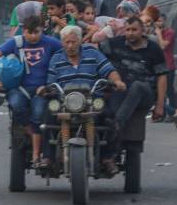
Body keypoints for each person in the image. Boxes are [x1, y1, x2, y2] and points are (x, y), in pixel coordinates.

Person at [48, 26, 127, 173]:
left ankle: (107, 157)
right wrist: (46, 90)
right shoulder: (56, 58)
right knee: (46, 121)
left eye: (73, 42)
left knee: (110, 120)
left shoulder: (93, 54)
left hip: (92, 101)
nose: (70, 46)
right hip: (65, 103)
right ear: (62, 43)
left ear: (80, 41)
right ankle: (50, 158)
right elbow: (51, 82)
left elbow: (109, 70)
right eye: (66, 42)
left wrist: (117, 81)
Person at [0, 15, 62, 167]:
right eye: (30, 32)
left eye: (37, 32)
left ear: (42, 30)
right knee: (16, 106)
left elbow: (67, 51)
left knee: (38, 114)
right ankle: (33, 135)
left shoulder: (51, 43)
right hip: (20, 89)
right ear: (23, 31)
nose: (33, 36)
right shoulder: (16, 42)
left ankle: (36, 154)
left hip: (43, 90)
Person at [102, 17, 168, 137]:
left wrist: (160, 105)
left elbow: (162, 77)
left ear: (142, 30)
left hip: (145, 94)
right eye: (127, 30)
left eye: (134, 29)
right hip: (121, 91)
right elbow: (96, 51)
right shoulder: (115, 44)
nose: (130, 33)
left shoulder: (154, 48)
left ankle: (118, 123)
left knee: (138, 85)